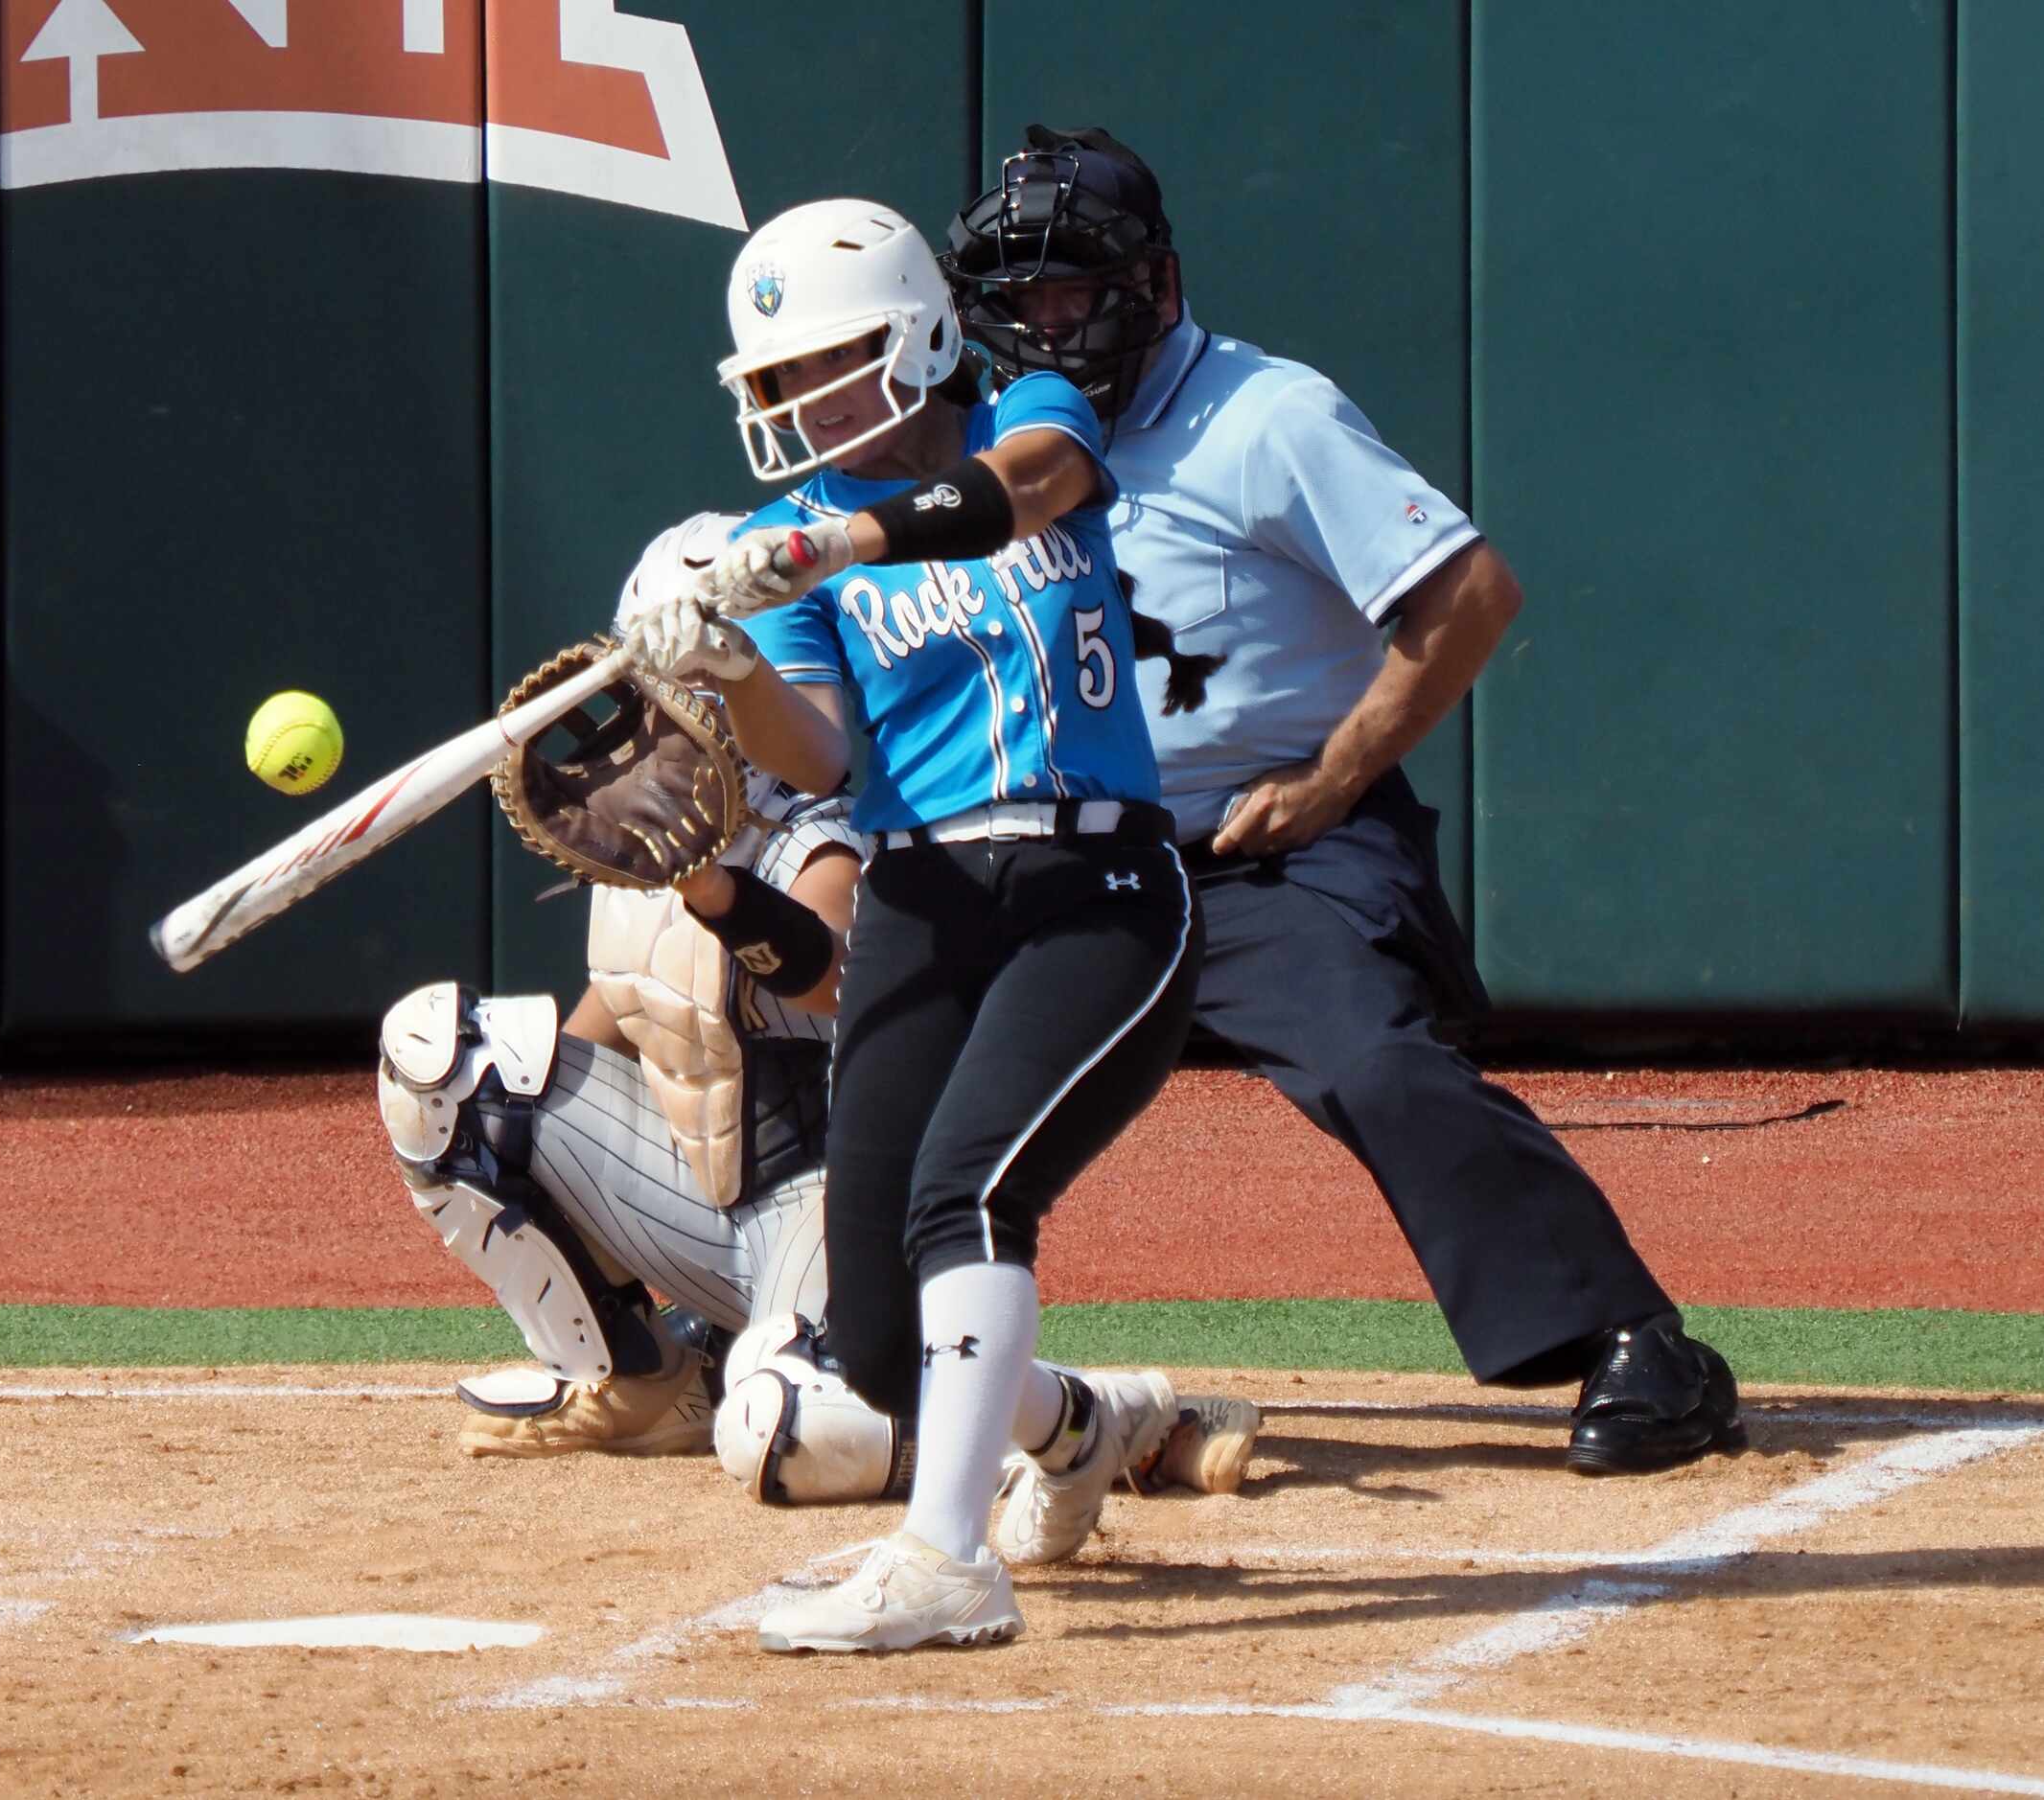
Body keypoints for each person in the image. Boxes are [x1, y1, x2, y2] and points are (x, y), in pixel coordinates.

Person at [936, 126, 1745, 1477]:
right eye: (1023, 299)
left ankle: (1639, 1343)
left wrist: (1332, 780)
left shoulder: (1269, 417)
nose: (1049, 322)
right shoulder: (990, 445)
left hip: (1263, 854)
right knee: (871, 1010)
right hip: (1073, 851)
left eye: (1078, 289)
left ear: (1161, 283)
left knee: (1369, 1055)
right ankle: (787, 1317)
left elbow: (1468, 595)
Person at [379, 510, 1258, 1514]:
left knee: (783, 1436)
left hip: (825, 1213)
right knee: (444, 1064)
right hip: (705, 1207)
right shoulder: (646, 831)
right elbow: (620, 1012)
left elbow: (833, 973)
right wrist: (527, 1163)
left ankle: (1116, 1419)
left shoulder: (829, 826)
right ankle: (638, 1379)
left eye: (700, 677)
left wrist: (716, 891)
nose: (672, 705)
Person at [624, 198, 1203, 1654]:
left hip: (1096, 885)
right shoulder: (784, 541)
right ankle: (1078, 1423)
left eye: (822, 365)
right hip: (921, 898)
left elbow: (1020, 492)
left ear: (919, 335)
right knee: (878, 1341)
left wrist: (836, 546)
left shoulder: (1035, 411)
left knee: (969, 1195)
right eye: (770, 384)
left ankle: (946, 1558)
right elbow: (817, 758)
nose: (793, 404)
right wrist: (729, 658)